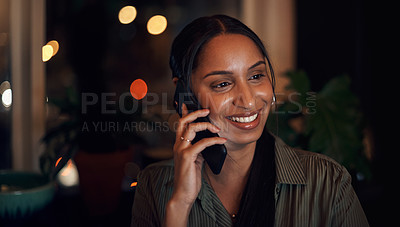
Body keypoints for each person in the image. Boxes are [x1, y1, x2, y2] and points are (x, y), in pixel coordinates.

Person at [131, 15, 369, 227]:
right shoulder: (154, 185)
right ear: (184, 94)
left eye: (256, 76)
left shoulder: (327, 180)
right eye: (222, 84)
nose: (248, 100)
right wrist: (180, 205)